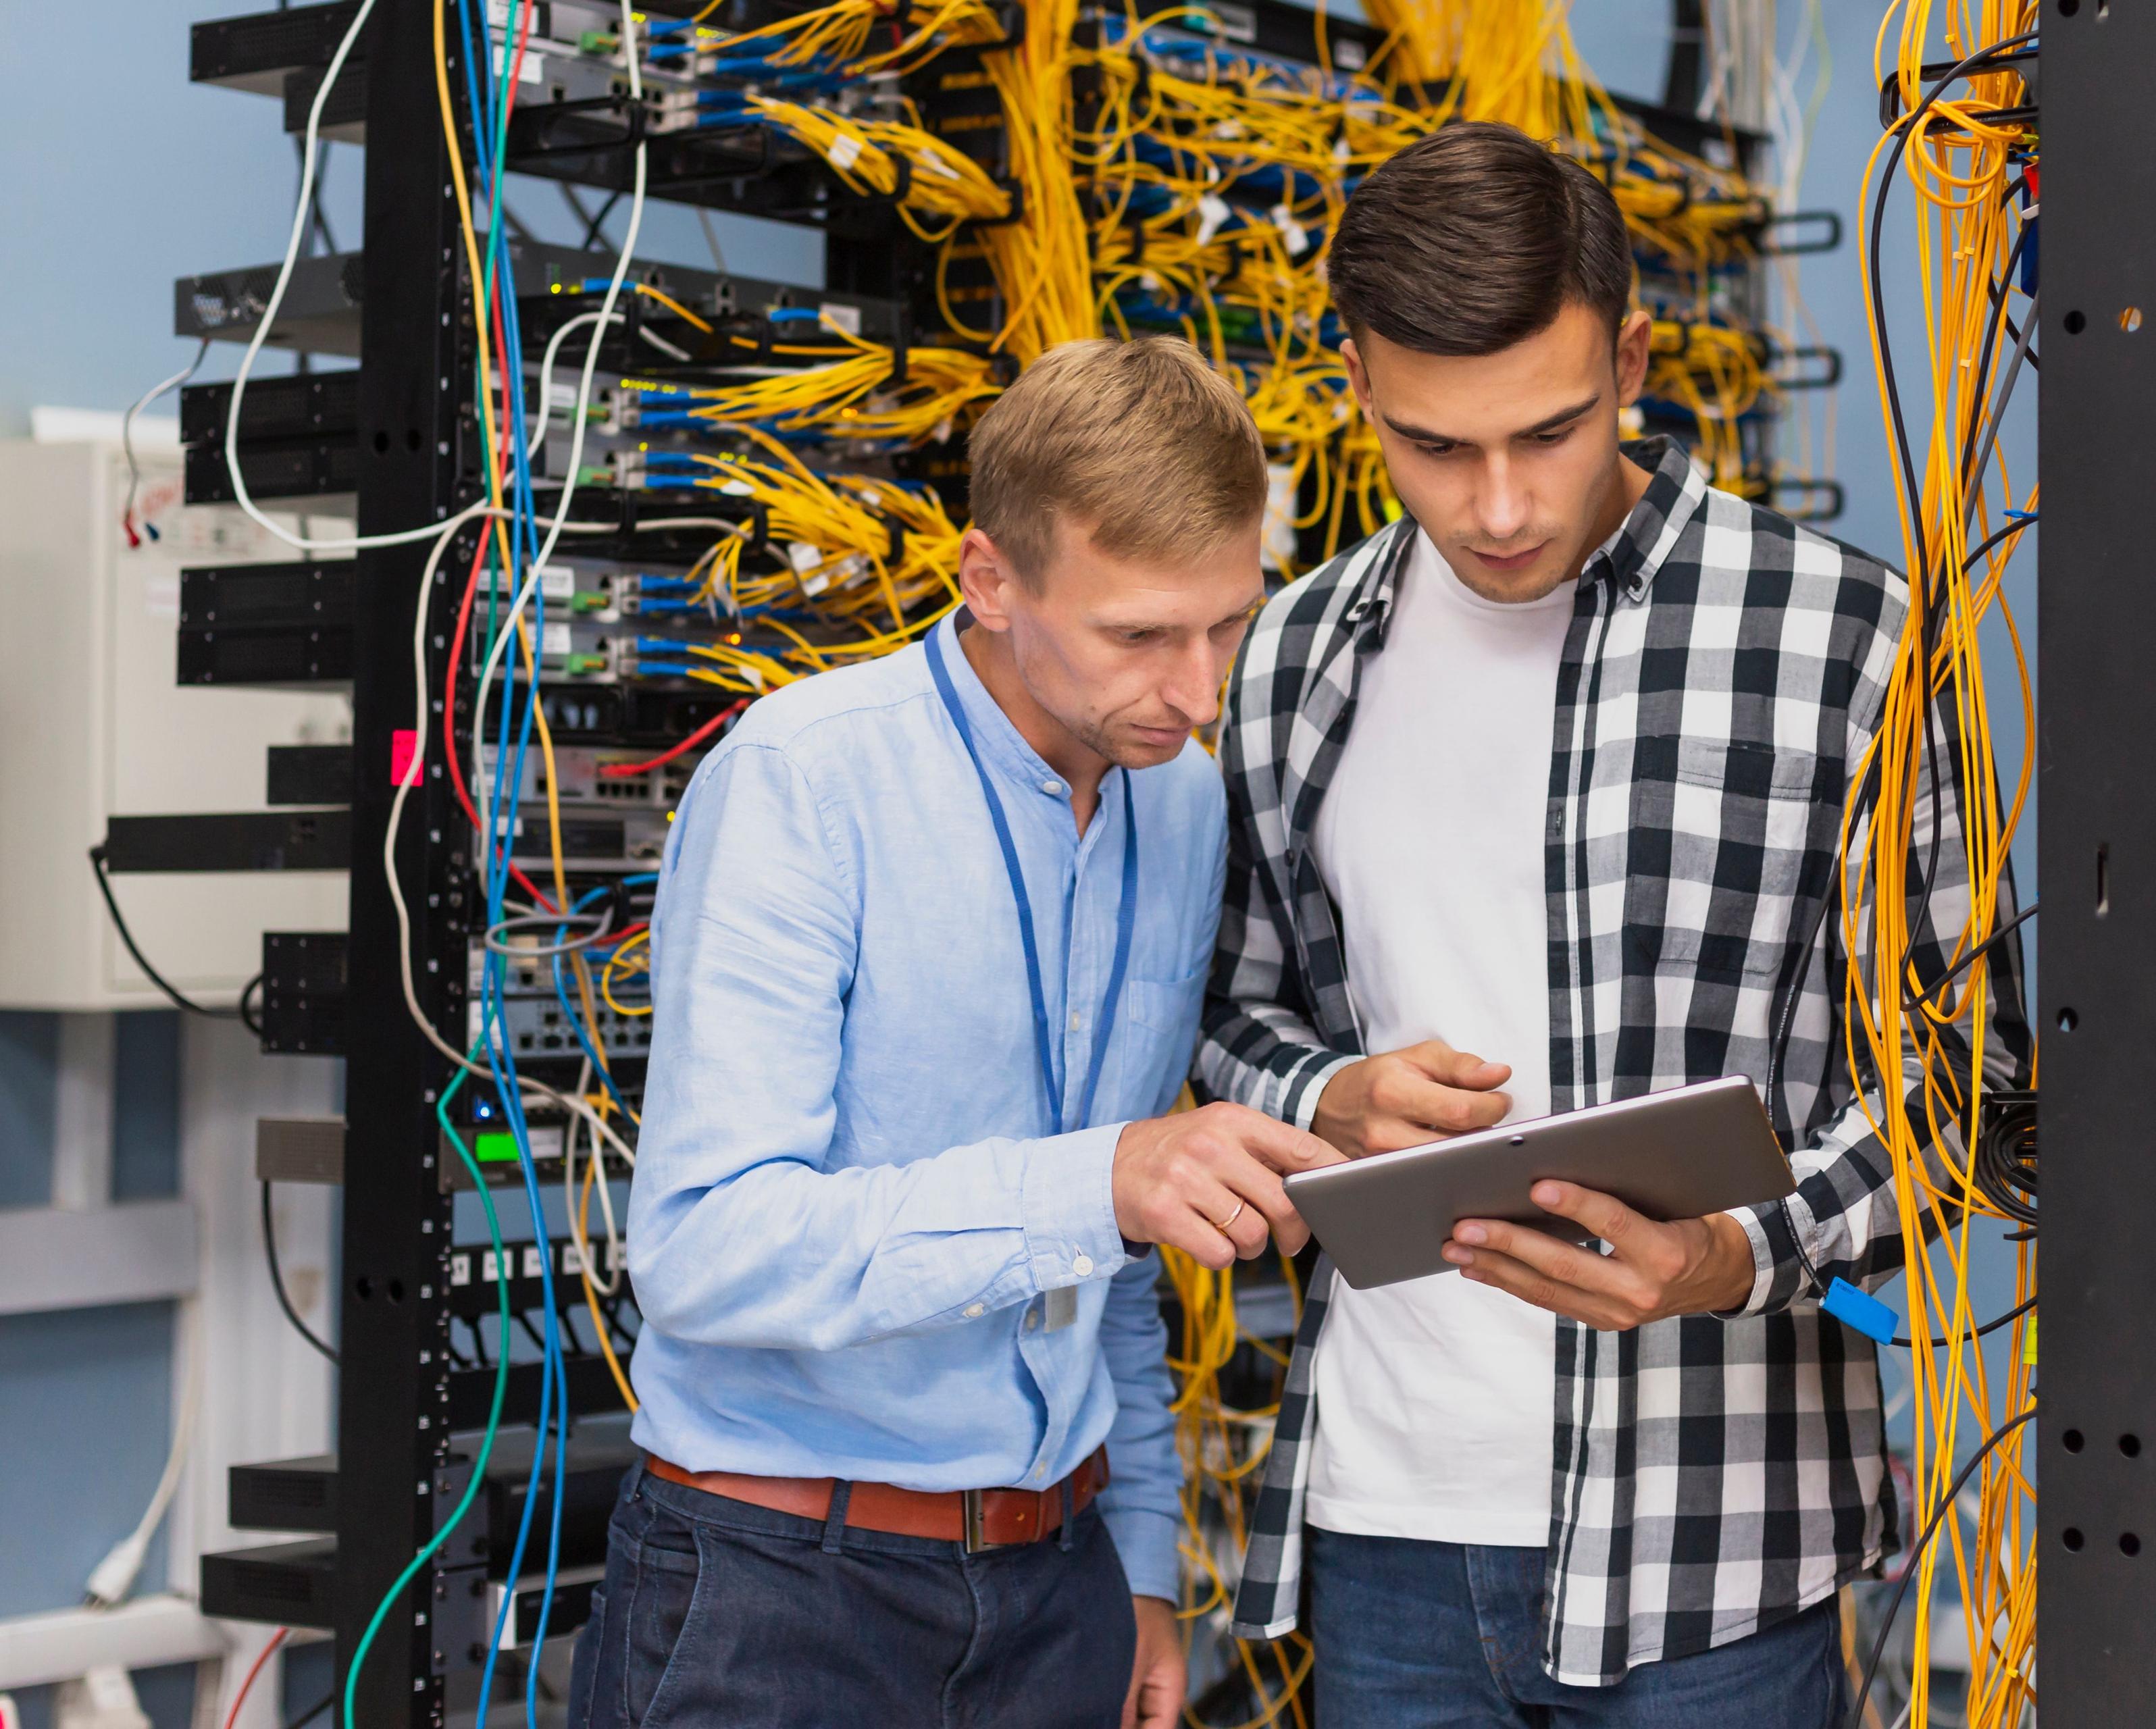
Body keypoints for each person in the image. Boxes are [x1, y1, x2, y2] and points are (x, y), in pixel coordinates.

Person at [1200, 124, 2030, 1725]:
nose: (1500, 505)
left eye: (1552, 431)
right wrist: (1330, 1098)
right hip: (1388, 1526)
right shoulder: (1294, 652)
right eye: (1435, 447)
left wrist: (1732, 1254)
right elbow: (1230, 1018)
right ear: (1356, 376)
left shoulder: (1846, 636)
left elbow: (1967, 1090)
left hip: (1717, 1548)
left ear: (1634, 356)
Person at [573, 336, 1340, 1729]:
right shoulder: (804, 785)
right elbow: (704, 1247)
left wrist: (1145, 1559)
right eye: (1140, 635)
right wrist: (1097, 1179)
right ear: (991, 580)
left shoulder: (1178, 804)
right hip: (777, 1591)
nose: (1200, 690)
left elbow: (1109, 1265)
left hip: (1060, 1583)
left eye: (1228, 624)